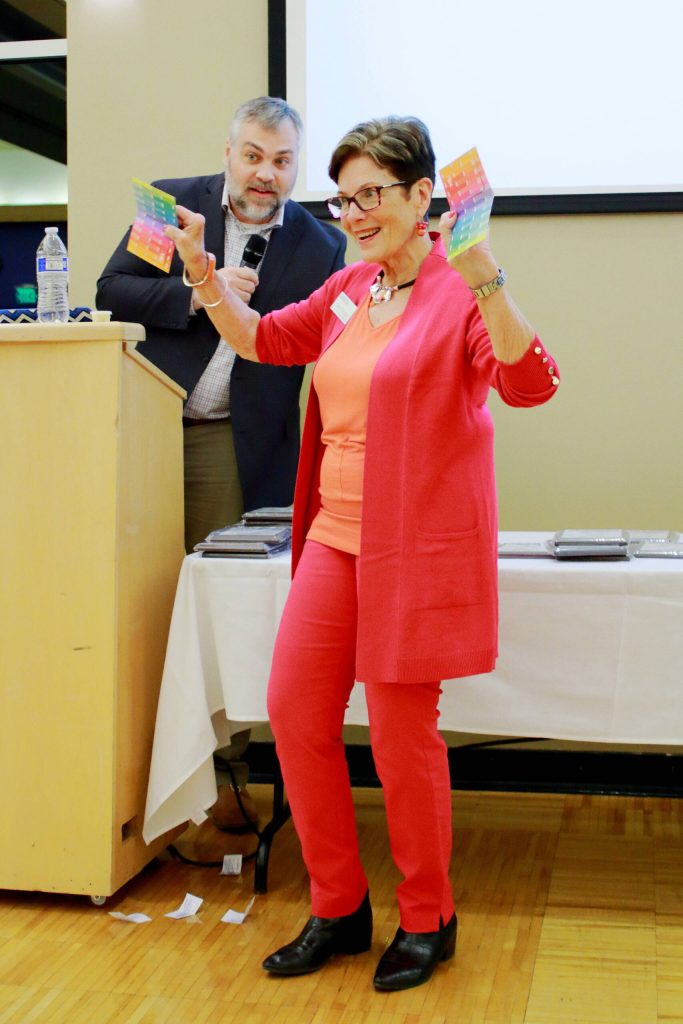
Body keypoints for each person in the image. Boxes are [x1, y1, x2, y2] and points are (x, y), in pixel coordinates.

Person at [165, 115, 560, 992]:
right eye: (343, 197)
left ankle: (429, 916)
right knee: (296, 714)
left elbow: (529, 384)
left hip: (411, 550)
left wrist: (484, 273)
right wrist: (199, 268)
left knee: (397, 735)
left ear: (425, 197)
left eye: (371, 194)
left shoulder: (459, 292)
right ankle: (338, 908)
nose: (353, 212)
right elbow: (263, 339)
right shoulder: (350, 289)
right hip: (333, 542)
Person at [96, 97, 346, 833]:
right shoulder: (169, 205)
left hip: (234, 443)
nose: (266, 174)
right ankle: (129, 776)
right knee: (135, 604)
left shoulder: (320, 243)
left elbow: (314, 353)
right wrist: (196, 293)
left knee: (221, 611)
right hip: (140, 429)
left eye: (282, 161)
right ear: (228, 151)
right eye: (253, 156)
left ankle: (224, 784)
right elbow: (110, 291)